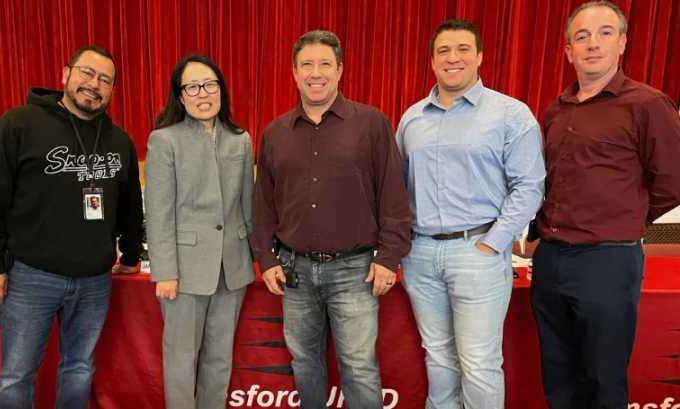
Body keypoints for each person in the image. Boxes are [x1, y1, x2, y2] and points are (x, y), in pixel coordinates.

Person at [0, 45, 143, 409]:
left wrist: (130, 253)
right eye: (87, 73)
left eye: (105, 80)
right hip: (30, 277)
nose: (94, 84)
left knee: (79, 368)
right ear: (66, 74)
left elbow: (130, 207)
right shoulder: (18, 124)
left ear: (112, 91)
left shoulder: (119, 141)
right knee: (16, 374)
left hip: (94, 280)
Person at [251, 30, 412, 409]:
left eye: (325, 64)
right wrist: (267, 259)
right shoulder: (275, 133)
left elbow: (393, 196)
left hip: (355, 270)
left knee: (358, 367)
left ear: (340, 70)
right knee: (304, 365)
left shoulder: (371, 124)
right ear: (294, 72)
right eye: (306, 64)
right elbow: (263, 207)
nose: (315, 72)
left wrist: (389, 257)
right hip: (294, 271)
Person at [531, 2, 680, 408]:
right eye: (581, 36)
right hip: (551, 259)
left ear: (623, 43)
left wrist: (623, 218)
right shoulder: (556, 109)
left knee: (602, 378)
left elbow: (672, 183)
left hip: (608, 261)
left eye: (604, 33)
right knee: (557, 375)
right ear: (568, 51)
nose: (592, 44)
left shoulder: (648, 105)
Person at [395, 19, 545, 409]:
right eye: (443, 51)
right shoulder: (412, 119)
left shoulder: (510, 114)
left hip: (478, 251)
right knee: (438, 356)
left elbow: (530, 186)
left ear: (479, 56)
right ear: (432, 61)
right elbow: (398, 187)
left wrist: (493, 243)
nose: (453, 58)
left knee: (478, 363)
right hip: (421, 255)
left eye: (463, 49)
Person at [144, 54, 254, 409]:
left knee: (219, 360)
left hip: (232, 269)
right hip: (184, 272)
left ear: (221, 89)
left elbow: (247, 207)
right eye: (192, 87)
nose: (202, 93)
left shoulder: (240, 139)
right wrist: (165, 271)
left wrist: (256, 257)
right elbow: (158, 212)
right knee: (180, 361)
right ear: (180, 96)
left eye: (210, 84)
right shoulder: (164, 141)